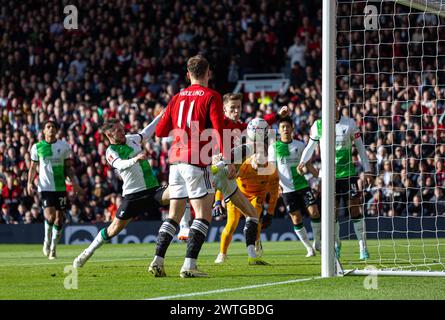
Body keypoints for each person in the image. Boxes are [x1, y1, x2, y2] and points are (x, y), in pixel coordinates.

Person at [148, 55, 237, 278]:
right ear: (208, 73)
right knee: (203, 214)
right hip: (197, 161)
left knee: (174, 215)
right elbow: (218, 128)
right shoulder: (212, 96)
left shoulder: (177, 97)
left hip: (175, 163)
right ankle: (189, 265)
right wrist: (226, 159)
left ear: (188, 75)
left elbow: (159, 132)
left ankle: (157, 260)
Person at [72, 112, 168, 267]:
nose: (123, 132)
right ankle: (87, 253)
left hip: (153, 190)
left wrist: (162, 115)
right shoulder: (111, 151)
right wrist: (135, 159)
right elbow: (120, 165)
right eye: (118, 130)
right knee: (113, 229)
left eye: (122, 129)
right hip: (133, 195)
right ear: (109, 134)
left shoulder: (132, 139)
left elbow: (147, 132)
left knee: (178, 193)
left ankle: (184, 228)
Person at [298, 103, 374, 260]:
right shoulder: (318, 125)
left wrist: (367, 170)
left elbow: (360, 148)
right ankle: (336, 244)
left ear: (338, 106)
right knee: (331, 212)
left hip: (348, 174)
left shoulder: (350, 123)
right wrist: (302, 161)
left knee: (354, 208)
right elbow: (310, 147)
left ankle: (363, 248)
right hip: (328, 176)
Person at [214, 118, 279, 264]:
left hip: (256, 196)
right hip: (238, 194)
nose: (259, 163)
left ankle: (253, 250)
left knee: (254, 218)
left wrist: (270, 213)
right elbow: (224, 180)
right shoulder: (243, 166)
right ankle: (222, 254)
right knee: (231, 224)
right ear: (253, 156)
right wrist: (218, 201)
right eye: (257, 159)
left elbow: (274, 193)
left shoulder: (272, 172)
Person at [268, 116, 321, 257]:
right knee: (296, 219)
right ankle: (309, 248)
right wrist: (276, 187)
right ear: (278, 130)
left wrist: (320, 177)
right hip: (286, 189)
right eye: (282, 127)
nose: (285, 129)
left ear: (292, 128)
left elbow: (308, 165)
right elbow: (272, 170)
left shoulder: (300, 145)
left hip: (303, 185)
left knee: (315, 212)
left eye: (288, 127)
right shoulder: (273, 148)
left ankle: (317, 242)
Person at [28, 120, 81, 259]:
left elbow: (68, 167)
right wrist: (29, 183)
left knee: (59, 219)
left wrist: (74, 182)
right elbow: (33, 167)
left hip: (60, 186)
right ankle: (46, 241)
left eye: (53, 127)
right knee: (50, 216)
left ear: (56, 130)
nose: (51, 129)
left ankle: (53, 248)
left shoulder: (64, 146)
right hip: (45, 187)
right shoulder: (37, 147)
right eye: (48, 127)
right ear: (44, 131)